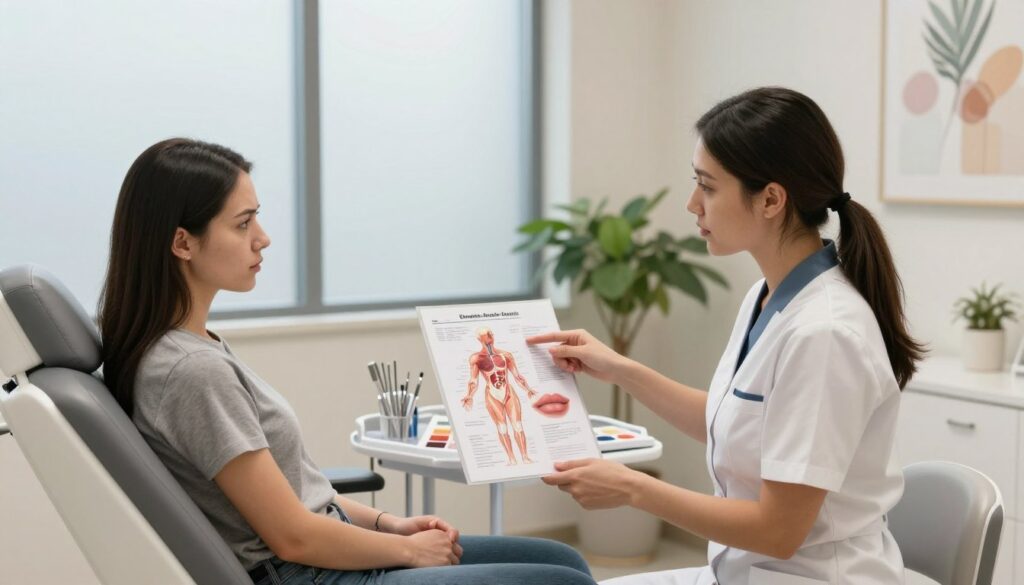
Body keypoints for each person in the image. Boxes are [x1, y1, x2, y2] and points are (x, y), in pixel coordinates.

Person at [98, 138, 596, 585]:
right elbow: (293, 536)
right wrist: (408, 551)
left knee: (561, 560)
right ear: (182, 242)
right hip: (309, 574)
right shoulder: (191, 372)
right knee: (562, 583)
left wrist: (391, 525)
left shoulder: (193, 347)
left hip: (322, 554)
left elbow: (298, 497)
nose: (263, 237)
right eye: (243, 223)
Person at [529, 87, 926, 585]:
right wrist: (619, 368)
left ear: (771, 199)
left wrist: (633, 489)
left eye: (708, 187)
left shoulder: (825, 334)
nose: (692, 204)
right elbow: (733, 422)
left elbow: (779, 530)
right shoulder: (768, 294)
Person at [461, 326, 538, 464]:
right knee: (502, 428)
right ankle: (511, 458)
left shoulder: (506, 355)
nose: (489, 339)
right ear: (479, 339)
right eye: (486, 336)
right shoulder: (476, 358)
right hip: (492, 395)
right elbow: (473, 380)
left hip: (508, 392)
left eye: (490, 334)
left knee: (518, 426)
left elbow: (517, 375)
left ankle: (525, 456)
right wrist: (469, 395)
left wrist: (527, 388)